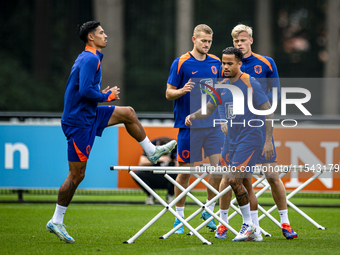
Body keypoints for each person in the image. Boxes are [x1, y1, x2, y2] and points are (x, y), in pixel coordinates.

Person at [45, 21, 176, 243]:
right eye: (101, 33)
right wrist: (106, 96)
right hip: (78, 122)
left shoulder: (90, 57)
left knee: (128, 113)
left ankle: (152, 151)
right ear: (90, 38)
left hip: (89, 114)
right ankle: (56, 221)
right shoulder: (89, 58)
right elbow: (85, 90)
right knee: (76, 174)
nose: (106, 36)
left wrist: (100, 94)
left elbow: (84, 90)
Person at [185, 47, 275, 241]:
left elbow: (268, 110)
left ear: (239, 64)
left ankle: (248, 225)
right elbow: (208, 109)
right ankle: (240, 228)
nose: (225, 67)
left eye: (229, 63)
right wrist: (193, 115)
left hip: (251, 138)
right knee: (234, 182)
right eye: (223, 63)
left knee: (234, 179)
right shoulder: (222, 85)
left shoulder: (250, 82)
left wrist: (268, 140)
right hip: (231, 140)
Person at [226, 24, 297, 240]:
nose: (240, 43)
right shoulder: (229, 65)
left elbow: (275, 93)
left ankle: (285, 223)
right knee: (242, 178)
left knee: (272, 175)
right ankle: (252, 228)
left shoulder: (265, 62)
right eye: (237, 41)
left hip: (259, 127)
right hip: (238, 129)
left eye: (243, 40)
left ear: (251, 40)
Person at [166, 24, 227, 234]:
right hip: (188, 126)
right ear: (194, 39)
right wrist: (181, 90)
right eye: (203, 41)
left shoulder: (216, 63)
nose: (207, 45)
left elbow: (220, 93)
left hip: (213, 125)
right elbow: (168, 93)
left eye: (209, 41)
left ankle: (208, 210)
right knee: (185, 172)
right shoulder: (181, 62)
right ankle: (179, 218)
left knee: (219, 169)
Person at [134, 137, 178, 205]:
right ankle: (151, 195)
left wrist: (172, 162)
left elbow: (179, 167)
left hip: (169, 175)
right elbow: (141, 163)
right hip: (153, 174)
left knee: (180, 174)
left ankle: (170, 195)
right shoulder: (151, 144)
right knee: (138, 174)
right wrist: (158, 159)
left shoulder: (175, 146)